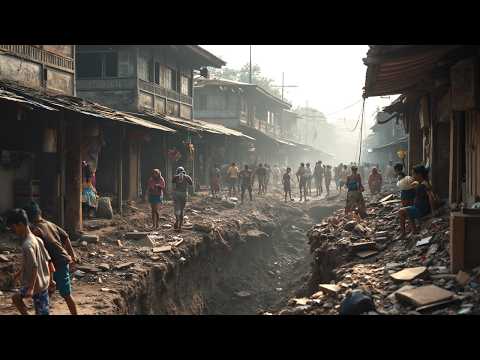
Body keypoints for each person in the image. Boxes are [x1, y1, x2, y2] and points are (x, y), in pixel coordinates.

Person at [23, 202, 79, 315]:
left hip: (58, 263)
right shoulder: (50, 224)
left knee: (65, 294)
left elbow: (41, 252)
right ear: (40, 213)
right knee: (47, 292)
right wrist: (72, 255)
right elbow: (66, 237)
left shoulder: (36, 230)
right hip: (58, 261)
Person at [6, 209, 53, 315]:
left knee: (41, 312)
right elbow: (45, 261)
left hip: (37, 287)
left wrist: (31, 288)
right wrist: (18, 274)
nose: (14, 231)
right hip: (43, 283)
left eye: (14, 228)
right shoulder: (37, 240)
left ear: (21, 224)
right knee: (16, 298)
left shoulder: (27, 245)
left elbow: (35, 266)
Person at [397, 165, 435, 239]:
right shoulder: (421, 183)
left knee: (401, 211)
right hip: (418, 207)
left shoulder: (424, 184)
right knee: (408, 209)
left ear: (419, 174)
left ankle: (403, 233)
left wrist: (433, 211)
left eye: (414, 174)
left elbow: (431, 197)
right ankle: (414, 230)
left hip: (421, 210)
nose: (412, 176)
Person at [172, 167, 193, 231]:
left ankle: (177, 220)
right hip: (183, 194)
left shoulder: (176, 176)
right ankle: (180, 226)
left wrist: (177, 176)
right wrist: (186, 176)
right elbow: (191, 183)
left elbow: (172, 181)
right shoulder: (187, 177)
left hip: (177, 193)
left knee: (176, 208)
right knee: (181, 209)